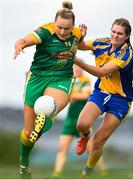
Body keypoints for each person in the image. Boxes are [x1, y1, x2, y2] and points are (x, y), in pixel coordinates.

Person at [13, 1, 85, 178]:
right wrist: (19, 45)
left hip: (62, 78)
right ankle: (24, 162)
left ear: (72, 27)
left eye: (66, 28)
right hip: (37, 78)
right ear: (54, 24)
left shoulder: (75, 32)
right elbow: (25, 39)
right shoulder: (45, 31)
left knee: (47, 106)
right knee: (29, 134)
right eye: (59, 27)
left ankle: (46, 118)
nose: (62, 31)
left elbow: (79, 42)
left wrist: (83, 37)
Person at [74, 18, 133, 178]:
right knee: (82, 124)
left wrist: (77, 62)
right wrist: (80, 36)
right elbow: (80, 46)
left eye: (120, 33)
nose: (115, 35)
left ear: (127, 36)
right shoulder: (102, 42)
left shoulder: (126, 53)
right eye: (113, 31)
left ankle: (87, 170)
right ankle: (85, 136)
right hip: (101, 93)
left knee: (98, 141)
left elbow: (102, 72)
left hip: (120, 101)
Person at [52, 64, 107, 178]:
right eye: (74, 68)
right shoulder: (70, 81)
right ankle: (56, 174)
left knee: (92, 148)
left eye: (77, 68)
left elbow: (85, 95)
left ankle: (103, 171)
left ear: (81, 69)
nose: (75, 70)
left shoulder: (85, 80)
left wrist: (69, 94)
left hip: (83, 120)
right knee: (62, 147)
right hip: (69, 120)